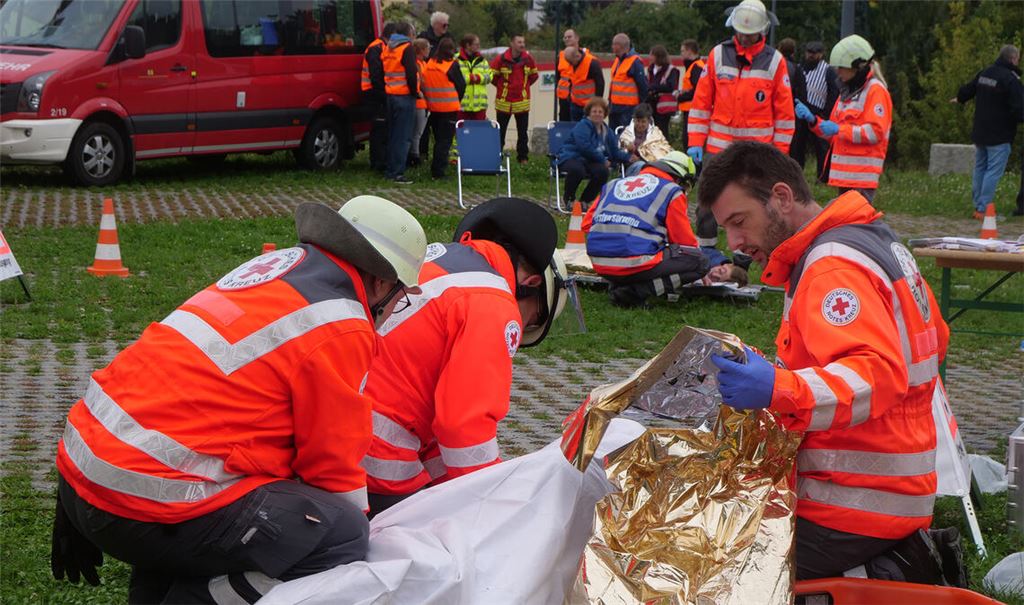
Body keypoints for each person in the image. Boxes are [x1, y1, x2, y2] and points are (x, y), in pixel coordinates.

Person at [50, 196, 429, 604]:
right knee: (341, 536)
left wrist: (74, 498)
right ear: (381, 283)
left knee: (217, 506)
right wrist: (353, 530)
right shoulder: (343, 322)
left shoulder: (274, 272)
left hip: (83, 470)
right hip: (142, 498)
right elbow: (331, 464)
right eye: (400, 299)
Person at [699, 141, 947, 581]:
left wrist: (779, 388)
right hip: (892, 493)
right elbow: (929, 344)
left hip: (853, 506)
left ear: (781, 197)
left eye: (739, 222)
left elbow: (876, 373)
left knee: (704, 568)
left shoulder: (831, 266)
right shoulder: (870, 242)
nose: (734, 243)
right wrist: (784, 376)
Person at [363, 197, 570, 516]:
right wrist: (494, 508)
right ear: (531, 284)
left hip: (334, 435)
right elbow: (464, 428)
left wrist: (463, 483)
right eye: (532, 319)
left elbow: (436, 430)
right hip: (375, 461)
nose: (522, 325)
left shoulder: (440, 262)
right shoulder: (491, 300)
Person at [687, 0, 793, 254]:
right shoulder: (717, 55)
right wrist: (694, 143)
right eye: (740, 33)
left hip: (757, 153)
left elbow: (785, 115)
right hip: (719, 147)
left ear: (762, 32)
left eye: (750, 34)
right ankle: (707, 254)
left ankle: (745, 256)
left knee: (752, 205)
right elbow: (701, 104)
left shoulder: (774, 61)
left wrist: (779, 153)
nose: (744, 38)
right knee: (708, 201)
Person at [583, 151, 746, 308]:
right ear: (681, 179)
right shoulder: (672, 191)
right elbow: (685, 243)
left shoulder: (614, 184)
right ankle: (634, 292)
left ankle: (621, 283)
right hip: (633, 263)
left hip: (599, 262)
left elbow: (587, 224)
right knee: (700, 262)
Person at [795, 35, 892, 203]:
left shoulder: (875, 91)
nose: (837, 71)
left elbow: (875, 132)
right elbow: (831, 131)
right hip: (846, 177)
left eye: (842, 67)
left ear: (858, 67)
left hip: (862, 178)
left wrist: (840, 129)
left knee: (856, 226)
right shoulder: (847, 93)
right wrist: (813, 121)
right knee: (847, 226)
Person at [952, 44, 1023, 218]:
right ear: (1013, 59)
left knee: (980, 168)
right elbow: (1019, 107)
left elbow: (969, 88)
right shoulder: (1010, 79)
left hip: (981, 131)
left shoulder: (986, 72)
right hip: (999, 134)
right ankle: (983, 209)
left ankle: (978, 206)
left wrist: (960, 98)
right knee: (992, 171)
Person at [557, 97, 630, 209]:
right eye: (594, 111)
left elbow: (614, 151)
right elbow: (584, 147)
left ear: (604, 114)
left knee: (602, 172)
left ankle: (585, 200)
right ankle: (569, 198)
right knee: (577, 170)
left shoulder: (607, 131)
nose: (597, 114)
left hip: (590, 161)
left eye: (600, 112)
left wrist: (629, 157)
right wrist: (602, 160)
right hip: (572, 157)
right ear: (589, 113)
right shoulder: (583, 126)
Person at [794, 41, 839, 180]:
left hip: (819, 111)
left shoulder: (828, 70)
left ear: (821, 54)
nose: (811, 55)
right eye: (809, 52)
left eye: (815, 53)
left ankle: (823, 176)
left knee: (821, 147)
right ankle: (797, 175)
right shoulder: (799, 68)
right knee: (797, 146)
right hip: (801, 112)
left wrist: (826, 113)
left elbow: (834, 92)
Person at [422, 38, 466, 180]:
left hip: (433, 107)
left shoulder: (430, 64)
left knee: (437, 140)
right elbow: (461, 85)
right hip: (449, 108)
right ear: (452, 50)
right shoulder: (451, 65)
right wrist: (457, 99)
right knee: (444, 142)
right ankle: (438, 172)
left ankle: (435, 168)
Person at [491, 34, 539, 165]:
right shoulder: (501, 59)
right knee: (500, 133)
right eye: (519, 42)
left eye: (523, 42)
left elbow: (534, 76)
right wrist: (503, 89)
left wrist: (523, 88)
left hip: (521, 102)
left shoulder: (528, 59)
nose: (522, 45)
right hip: (504, 103)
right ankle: (497, 157)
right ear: (511, 43)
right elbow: (493, 77)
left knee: (522, 133)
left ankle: (523, 158)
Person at [383, 22, 420, 185]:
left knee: (393, 136)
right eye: (413, 33)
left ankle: (390, 170)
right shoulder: (407, 48)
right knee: (403, 137)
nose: (414, 37)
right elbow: (411, 73)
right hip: (404, 96)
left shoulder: (389, 46)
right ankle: (397, 173)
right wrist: (415, 92)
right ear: (408, 34)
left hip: (390, 94)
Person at [361, 22, 395, 172]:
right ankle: (377, 162)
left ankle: (381, 161)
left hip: (378, 92)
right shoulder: (376, 48)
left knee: (382, 129)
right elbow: (376, 75)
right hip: (374, 93)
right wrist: (384, 92)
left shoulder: (381, 46)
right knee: (379, 130)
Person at [777, 37, 809, 167]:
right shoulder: (796, 69)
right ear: (793, 52)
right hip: (792, 113)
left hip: (775, 112)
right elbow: (802, 94)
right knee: (794, 147)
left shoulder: (773, 66)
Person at [608, 33, 648, 132]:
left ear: (620, 46)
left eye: (614, 44)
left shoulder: (635, 61)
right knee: (613, 134)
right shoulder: (618, 60)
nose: (612, 47)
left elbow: (642, 85)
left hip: (628, 108)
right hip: (615, 106)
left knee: (626, 136)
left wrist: (640, 106)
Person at [619, 103, 673, 175]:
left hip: (654, 166)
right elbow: (619, 151)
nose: (640, 125)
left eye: (643, 121)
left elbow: (666, 150)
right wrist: (628, 151)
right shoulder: (626, 134)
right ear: (634, 120)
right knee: (641, 165)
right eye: (638, 121)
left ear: (649, 121)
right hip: (633, 168)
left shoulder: (656, 133)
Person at [676, 39, 705, 150]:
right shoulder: (693, 66)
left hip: (693, 110)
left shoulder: (696, 67)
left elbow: (698, 90)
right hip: (689, 110)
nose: (681, 54)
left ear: (689, 51)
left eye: (682, 51)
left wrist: (681, 97)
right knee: (687, 141)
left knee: (688, 141)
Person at [646, 45, 680, 136]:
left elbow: (670, 86)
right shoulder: (650, 69)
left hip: (664, 107)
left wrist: (653, 87)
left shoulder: (671, 70)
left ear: (658, 56)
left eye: (651, 55)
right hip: (651, 104)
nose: (649, 57)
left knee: (662, 132)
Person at [564, 45, 605, 122]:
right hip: (575, 104)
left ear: (577, 56)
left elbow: (600, 84)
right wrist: (569, 96)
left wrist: (596, 104)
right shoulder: (572, 63)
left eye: (570, 62)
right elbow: (572, 81)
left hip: (589, 106)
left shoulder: (592, 63)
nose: (570, 64)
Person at [458, 33, 492, 121]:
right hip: (462, 106)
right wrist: (470, 78)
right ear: (467, 45)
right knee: (461, 132)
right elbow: (455, 78)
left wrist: (478, 78)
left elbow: (490, 76)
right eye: (476, 44)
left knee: (478, 133)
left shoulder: (482, 60)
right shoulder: (456, 59)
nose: (479, 46)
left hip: (479, 106)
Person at [408, 38, 431, 168]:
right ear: (422, 50)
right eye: (428, 48)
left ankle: (414, 156)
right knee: (417, 133)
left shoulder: (422, 63)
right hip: (419, 104)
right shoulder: (417, 64)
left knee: (417, 133)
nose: (429, 51)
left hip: (422, 104)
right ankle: (414, 158)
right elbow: (421, 83)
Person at [556, 29, 584, 122]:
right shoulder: (560, 55)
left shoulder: (585, 55)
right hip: (564, 97)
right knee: (564, 124)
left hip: (579, 98)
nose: (567, 39)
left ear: (577, 38)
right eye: (565, 37)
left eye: (570, 37)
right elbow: (558, 76)